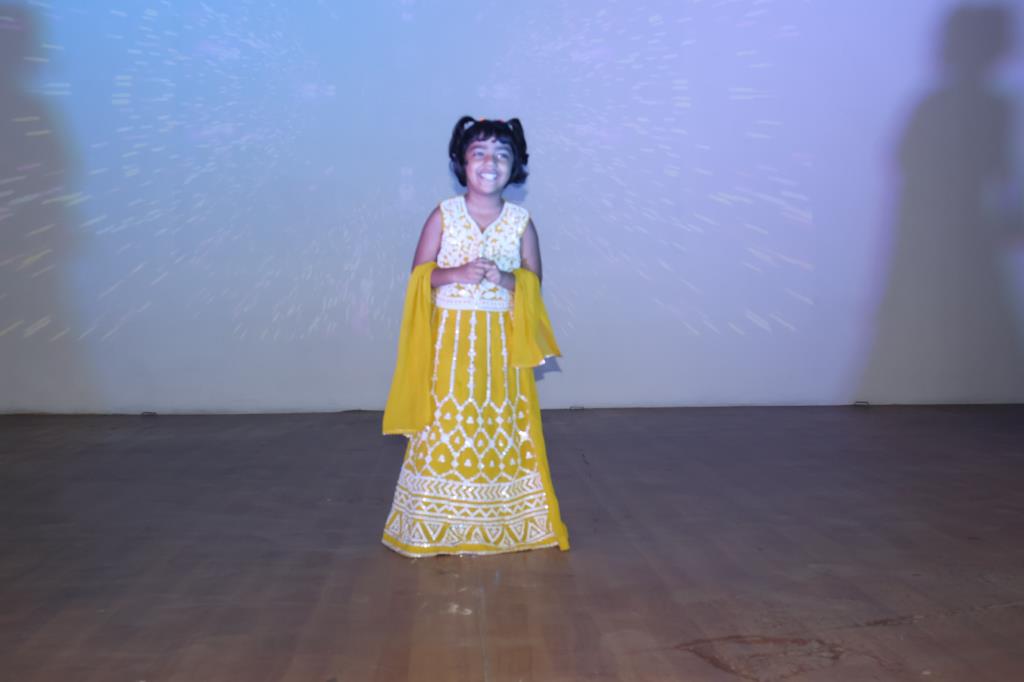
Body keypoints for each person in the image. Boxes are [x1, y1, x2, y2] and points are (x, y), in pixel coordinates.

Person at [380, 116, 570, 557]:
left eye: (502, 155)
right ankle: (435, 525)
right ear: (461, 164)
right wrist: (457, 273)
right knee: (445, 422)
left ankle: (504, 522)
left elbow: (533, 284)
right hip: (449, 347)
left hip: (500, 348)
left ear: (515, 166)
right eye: (479, 153)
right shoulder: (444, 215)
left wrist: (505, 279)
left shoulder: (521, 221)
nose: (490, 163)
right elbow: (419, 277)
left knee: (502, 425)